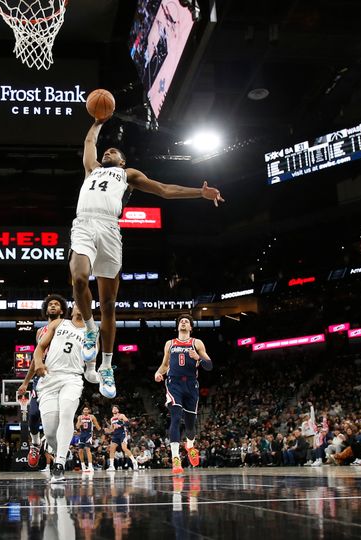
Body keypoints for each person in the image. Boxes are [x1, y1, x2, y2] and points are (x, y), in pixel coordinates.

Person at [71, 119, 224, 399]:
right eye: (107, 152)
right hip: (84, 224)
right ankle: (90, 331)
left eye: (113, 152)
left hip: (109, 229)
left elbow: (165, 189)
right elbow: (89, 144)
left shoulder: (127, 174)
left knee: (108, 304)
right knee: (79, 277)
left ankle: (106, 366)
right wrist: (95, 123)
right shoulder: (91, 169)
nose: (108, 153)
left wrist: (199, 193)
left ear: (122, 161)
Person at [32, 303, 88, 483]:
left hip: (72, 378)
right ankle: (60, 453)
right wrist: (39, 363)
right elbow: (40, 348)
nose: (80, 307)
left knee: (66, 414)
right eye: (77, 304)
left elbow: (92, 362)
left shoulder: (92, 331)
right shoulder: (58, 324)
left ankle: (60, 464)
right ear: (71, 309)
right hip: (50, 377)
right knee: (49, 432)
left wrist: (95, 374)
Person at [18, 294, 71, 471]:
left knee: (57, 421)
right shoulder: (40, 332)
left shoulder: (68, 327)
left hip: (61, 377)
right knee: (33, 415)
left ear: (62, 310)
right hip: (42, 378)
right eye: (50, 304)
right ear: (46, 310)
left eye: (57, 304)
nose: (53, 306)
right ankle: (35, 445)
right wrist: (25, 382)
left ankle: (59, 456)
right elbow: (36, 358)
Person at [154, 314, 213, 474]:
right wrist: (158, 373)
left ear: (191, 327)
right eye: (181, 321)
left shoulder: (197, 343)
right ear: (178, 326)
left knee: (190, 424)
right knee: (175, 416)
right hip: (174, 383)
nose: (183, 323)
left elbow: (209, 366)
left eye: (186, 322)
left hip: (191, 384)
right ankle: (175, 458)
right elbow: (165, 365)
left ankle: (190, 445)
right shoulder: (170, 343)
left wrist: (199, 358)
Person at [105, 405, 138, 471]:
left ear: (118, 410)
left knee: (124, 448)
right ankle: (112, 466)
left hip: (122, 433)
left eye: (116, 408)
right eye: (113, 408)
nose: (114, 409)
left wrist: (120, 425)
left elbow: (127, 422)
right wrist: (108, 430)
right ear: (112, 411)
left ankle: (134, 461)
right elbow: (112, 429)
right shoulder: (111, 419)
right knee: (112, 449)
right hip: (115, 435)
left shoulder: (121, 415)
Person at [75, 406, 101, 472]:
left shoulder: (92, 417)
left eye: (87, 410)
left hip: (88, 434)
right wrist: (80, 424)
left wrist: (102, 431)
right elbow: (77, 427)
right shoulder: (80, 417)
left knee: (87, 449)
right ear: (83, 411)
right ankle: (83, 466)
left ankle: (90, 466)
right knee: (80, 450)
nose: (86, 411)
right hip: (82, 434)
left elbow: (97, 426)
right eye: (84, 410)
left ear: (89, 411)